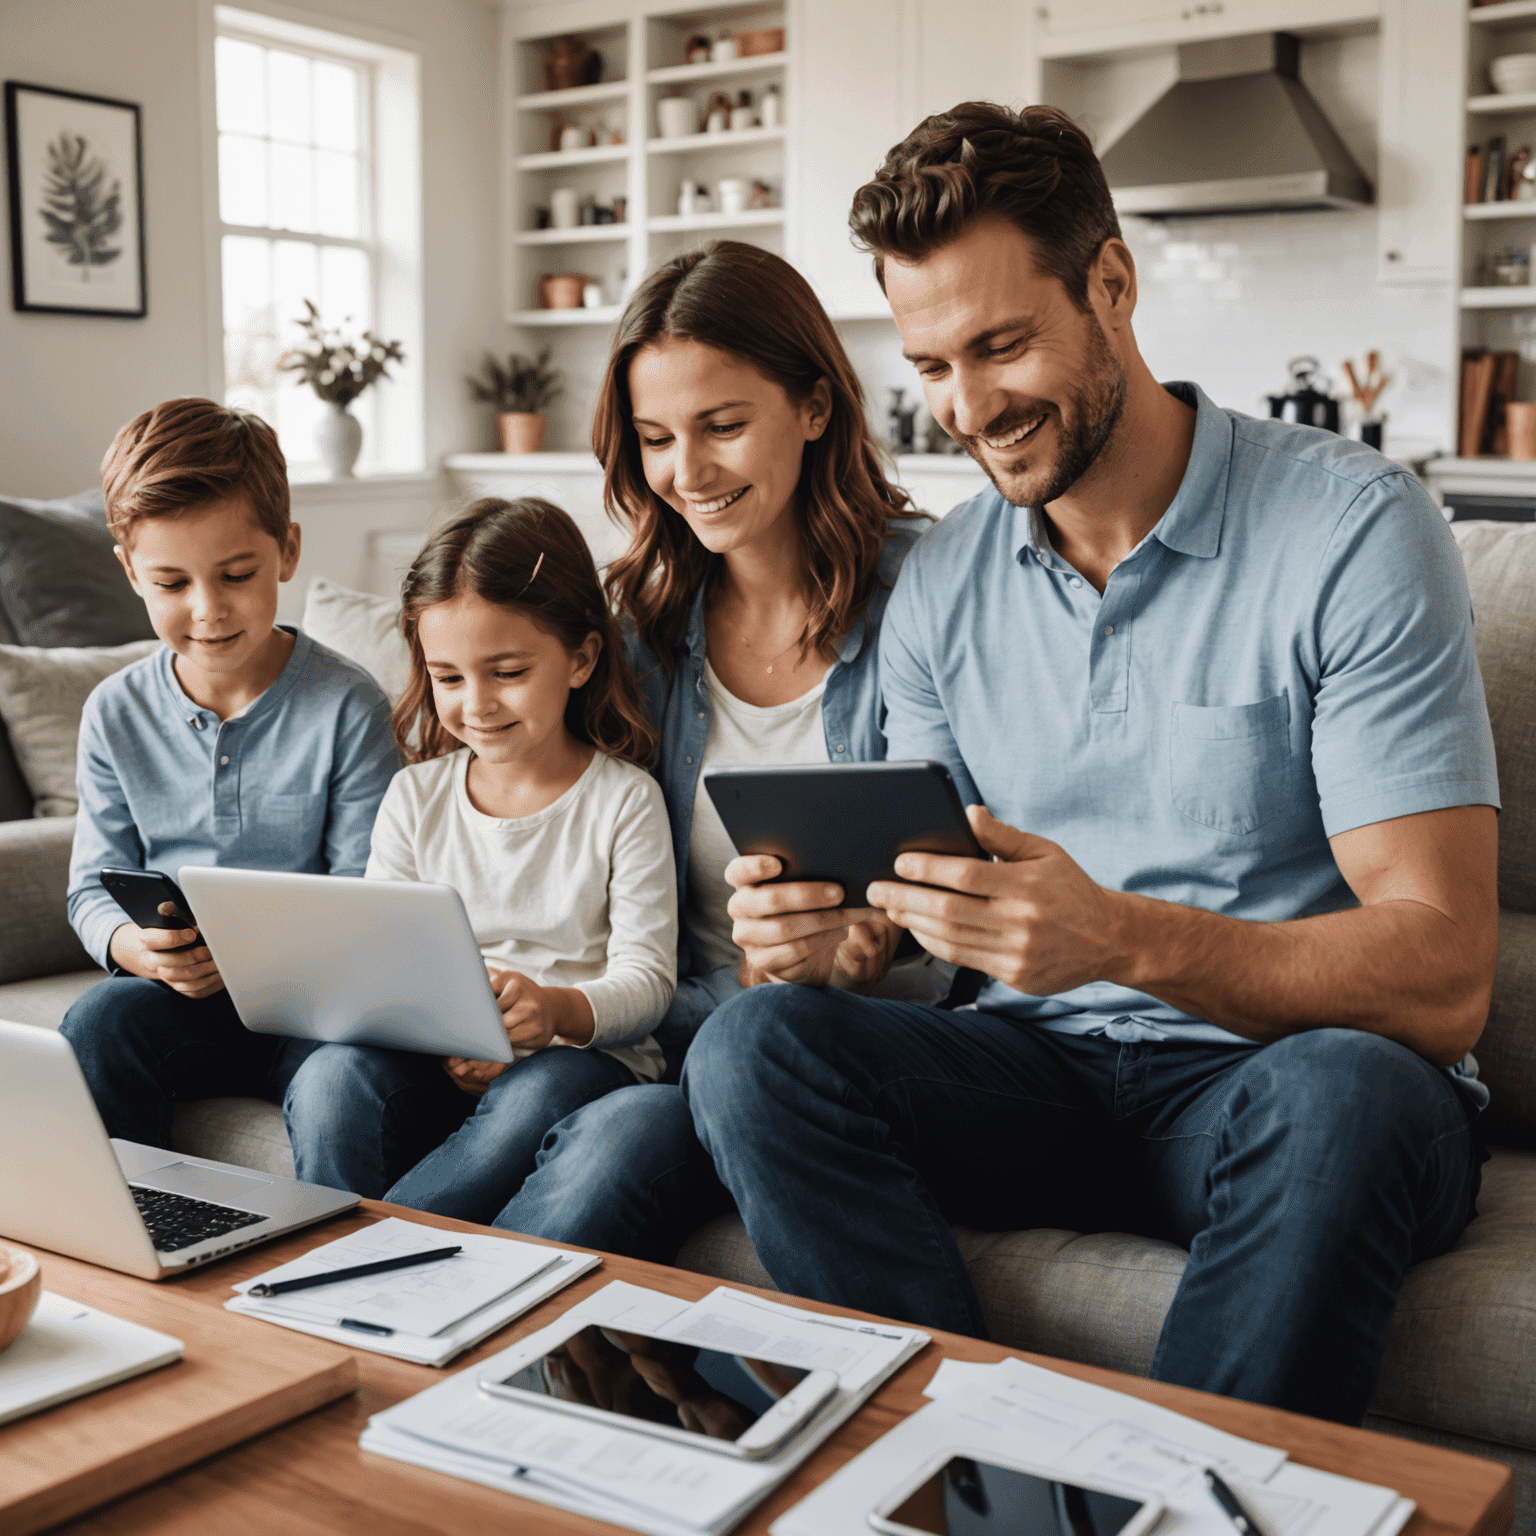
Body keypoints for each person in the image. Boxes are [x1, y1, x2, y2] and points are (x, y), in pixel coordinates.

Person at [678, 103, 1500, 1427]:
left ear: (1110, 285)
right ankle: (949, 1470)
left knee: (1349, 1091)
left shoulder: (1351, 527)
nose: (968, 407)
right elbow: (927, 931)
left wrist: (1115, 936)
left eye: (1001, 346)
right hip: (1040, 1080)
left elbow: (1448, 977)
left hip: (1275, 1080)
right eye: (934, 363)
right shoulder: (941, 582)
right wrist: (846, 949)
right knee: (751, 1047)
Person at [494, 240, 940, 1253]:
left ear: (815, 407)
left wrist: (883, 940)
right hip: (662, 1023)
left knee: (623, 1143)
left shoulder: (933, 592)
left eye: (723, 426)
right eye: (655, 438)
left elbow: (991, 855)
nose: (685, 474)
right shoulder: (639, 621)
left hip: (851, 1044)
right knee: (565, 1108)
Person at [298, 497, 678, 1219]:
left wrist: (554, 1010)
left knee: (540, 1090)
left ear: (581, 657)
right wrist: (442, 1032)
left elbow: (648, 981)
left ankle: (363, 1252)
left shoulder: (624, 801)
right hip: (443, 1059)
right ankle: (334, 1244)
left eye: (506, 672)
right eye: (448, 678)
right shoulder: (414, 796)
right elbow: (383, 957)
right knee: (331, 1077)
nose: (476, 704)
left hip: (575, 1060)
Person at [61, 397, 401, 1189]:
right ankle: (145, 1244)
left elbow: (368, 894)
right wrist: (131, 945)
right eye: (171, 582)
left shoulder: (347, 705)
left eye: (237, 575)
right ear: (128, 570)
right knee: (97, 1022)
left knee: (338, 1087)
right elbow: (90, 887)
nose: (208, 610)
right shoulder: (115, 712)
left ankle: (341, 1274)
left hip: (319, 1011)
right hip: (186, 1001)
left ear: (286, 550)